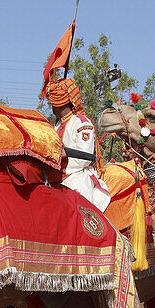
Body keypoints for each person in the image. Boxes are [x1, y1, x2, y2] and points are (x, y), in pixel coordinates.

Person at [45, 77, 110, 210]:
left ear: (59, 104)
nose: (51, 107)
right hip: (58, 178)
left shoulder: (81, 123)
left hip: (77, 177)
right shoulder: (57, 125)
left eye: (53, 103)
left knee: (81, 215)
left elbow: (84, 158)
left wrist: (61, 159)